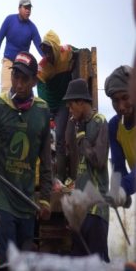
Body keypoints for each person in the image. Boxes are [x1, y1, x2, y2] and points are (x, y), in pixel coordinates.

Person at [0, 51, 52, 266]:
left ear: (34, 81)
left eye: (24, 79)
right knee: (7, 262)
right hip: (2, 199)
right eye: (15, 77)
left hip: (27, 201)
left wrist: (46, 198)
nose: (18, 84)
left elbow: (46, 159)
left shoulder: (42, 110)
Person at [63, 78, 110, 262]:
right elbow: (70, 152)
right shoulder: (77, 125)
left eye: (71, 105)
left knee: (97, 263)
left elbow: (98, 160)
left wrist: (82, 138)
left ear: (81, 102)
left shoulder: (100, 122)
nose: (70, 110)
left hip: (96, 211)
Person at [37, 29, 78, 183]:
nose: (46, 54)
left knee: (60, 137)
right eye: (43, 50)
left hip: (62, 103)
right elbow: (39, 84)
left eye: (48, 49)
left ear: (55, 47)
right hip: (49, 103)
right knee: (44, 137)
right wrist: (45, 104)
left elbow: (79, 52)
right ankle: (45, 175)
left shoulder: (66, 52)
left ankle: (61, 175)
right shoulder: (43, 65)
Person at [0, 0, 43, 93]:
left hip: (24, 65)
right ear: (19, 8)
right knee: (6, 92)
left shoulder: (32, 28)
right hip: (8, 61)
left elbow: (40, 46)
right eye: (26, 8)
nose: (28, 11)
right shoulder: (9, 20)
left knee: (23, 93)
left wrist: (47, 60)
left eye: (29, 8)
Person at [104, 65, 135, 206]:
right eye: (115, 101)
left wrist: (123, 188)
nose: (121, 106)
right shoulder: (114, 126)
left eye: (125, 97)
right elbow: (118, 165)